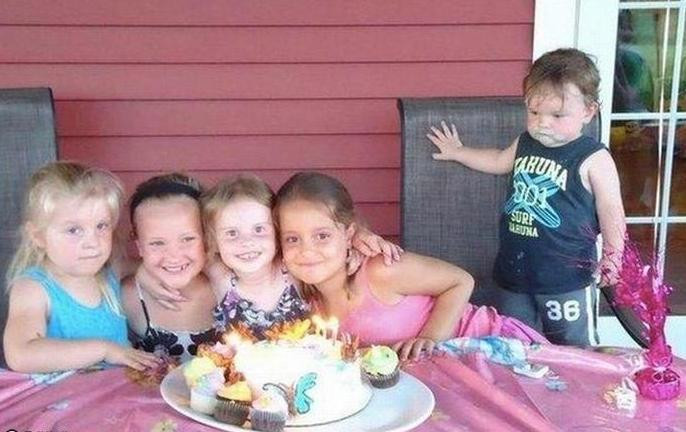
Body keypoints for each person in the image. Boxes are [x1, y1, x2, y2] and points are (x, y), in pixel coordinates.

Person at [427, 48, 626, 346]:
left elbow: (612, 211)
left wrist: (613, 257)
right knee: (514, 341)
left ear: (588, 111)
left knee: (574, 347)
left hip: (567, 280)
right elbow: (498, 160)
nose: (542, 123)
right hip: (514, 276)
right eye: (534, 112)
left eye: (557, 115)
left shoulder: (594, 158)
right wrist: (459, 152)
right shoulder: (525, 142)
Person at [273, 171, 547, 361]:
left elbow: (461, 281)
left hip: (493, 349)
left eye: (322, 236)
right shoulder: (308, 302)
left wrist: (431, 339)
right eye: (292, 239)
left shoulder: (381, 269)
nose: (307, 250)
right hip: (436, 379)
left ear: (348, 234)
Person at [3, 161, 158, 373]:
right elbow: (21, 355)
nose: (92, 242)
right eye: (74, 230)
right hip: (64, 393)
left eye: (101, 226)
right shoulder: (34, 288)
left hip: (118, 388)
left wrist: (146, 275)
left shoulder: (110, 272)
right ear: (38, 236)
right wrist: (105, 350)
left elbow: (150, 266)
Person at [122, 173, 219, 362]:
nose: (174, 256)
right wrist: (138, 270)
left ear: (207, 237)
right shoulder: (128, 296)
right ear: (139, 246)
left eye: (187, 239)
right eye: (157, 243)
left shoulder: (225, 288)